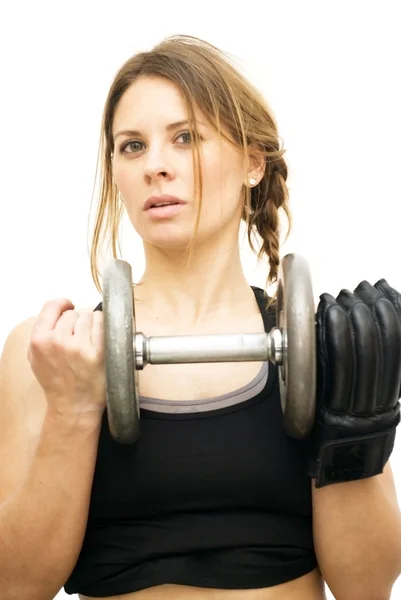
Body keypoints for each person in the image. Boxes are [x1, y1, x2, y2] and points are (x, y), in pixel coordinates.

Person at [0, 34, 401, 600]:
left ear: (253, 163)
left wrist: (356, 423)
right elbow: (13, 587)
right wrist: (71, 411)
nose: (156, 167)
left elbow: (366, 586)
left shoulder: (326, 348)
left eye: (185, 138)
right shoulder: (47, 355)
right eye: (131, 146)